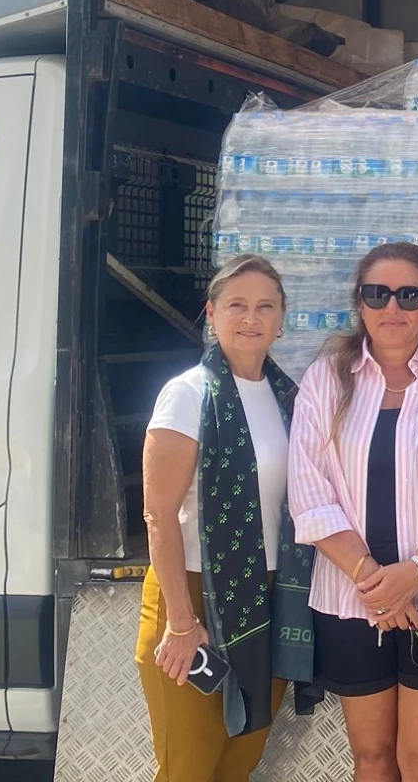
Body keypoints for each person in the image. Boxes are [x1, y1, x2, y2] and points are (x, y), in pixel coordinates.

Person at [289, 241, 418, 782]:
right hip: (349, 598)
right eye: (377, 293)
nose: (392, 307)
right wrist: (375, 583)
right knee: (373, 758)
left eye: (409, 295)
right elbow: (309, 495)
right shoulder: (325, 380)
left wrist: (414, 572)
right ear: (359, 303)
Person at [137, 255, 316, 782]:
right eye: (237, 305)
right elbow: (158, 514)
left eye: (265, 306)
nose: (251, 318)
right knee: (188, 769)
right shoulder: (187, 394)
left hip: (268, 598)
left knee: (238, 764)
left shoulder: (290, 399)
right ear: (211, 314)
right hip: (194, 597)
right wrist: (180, 622)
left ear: (282, 318)